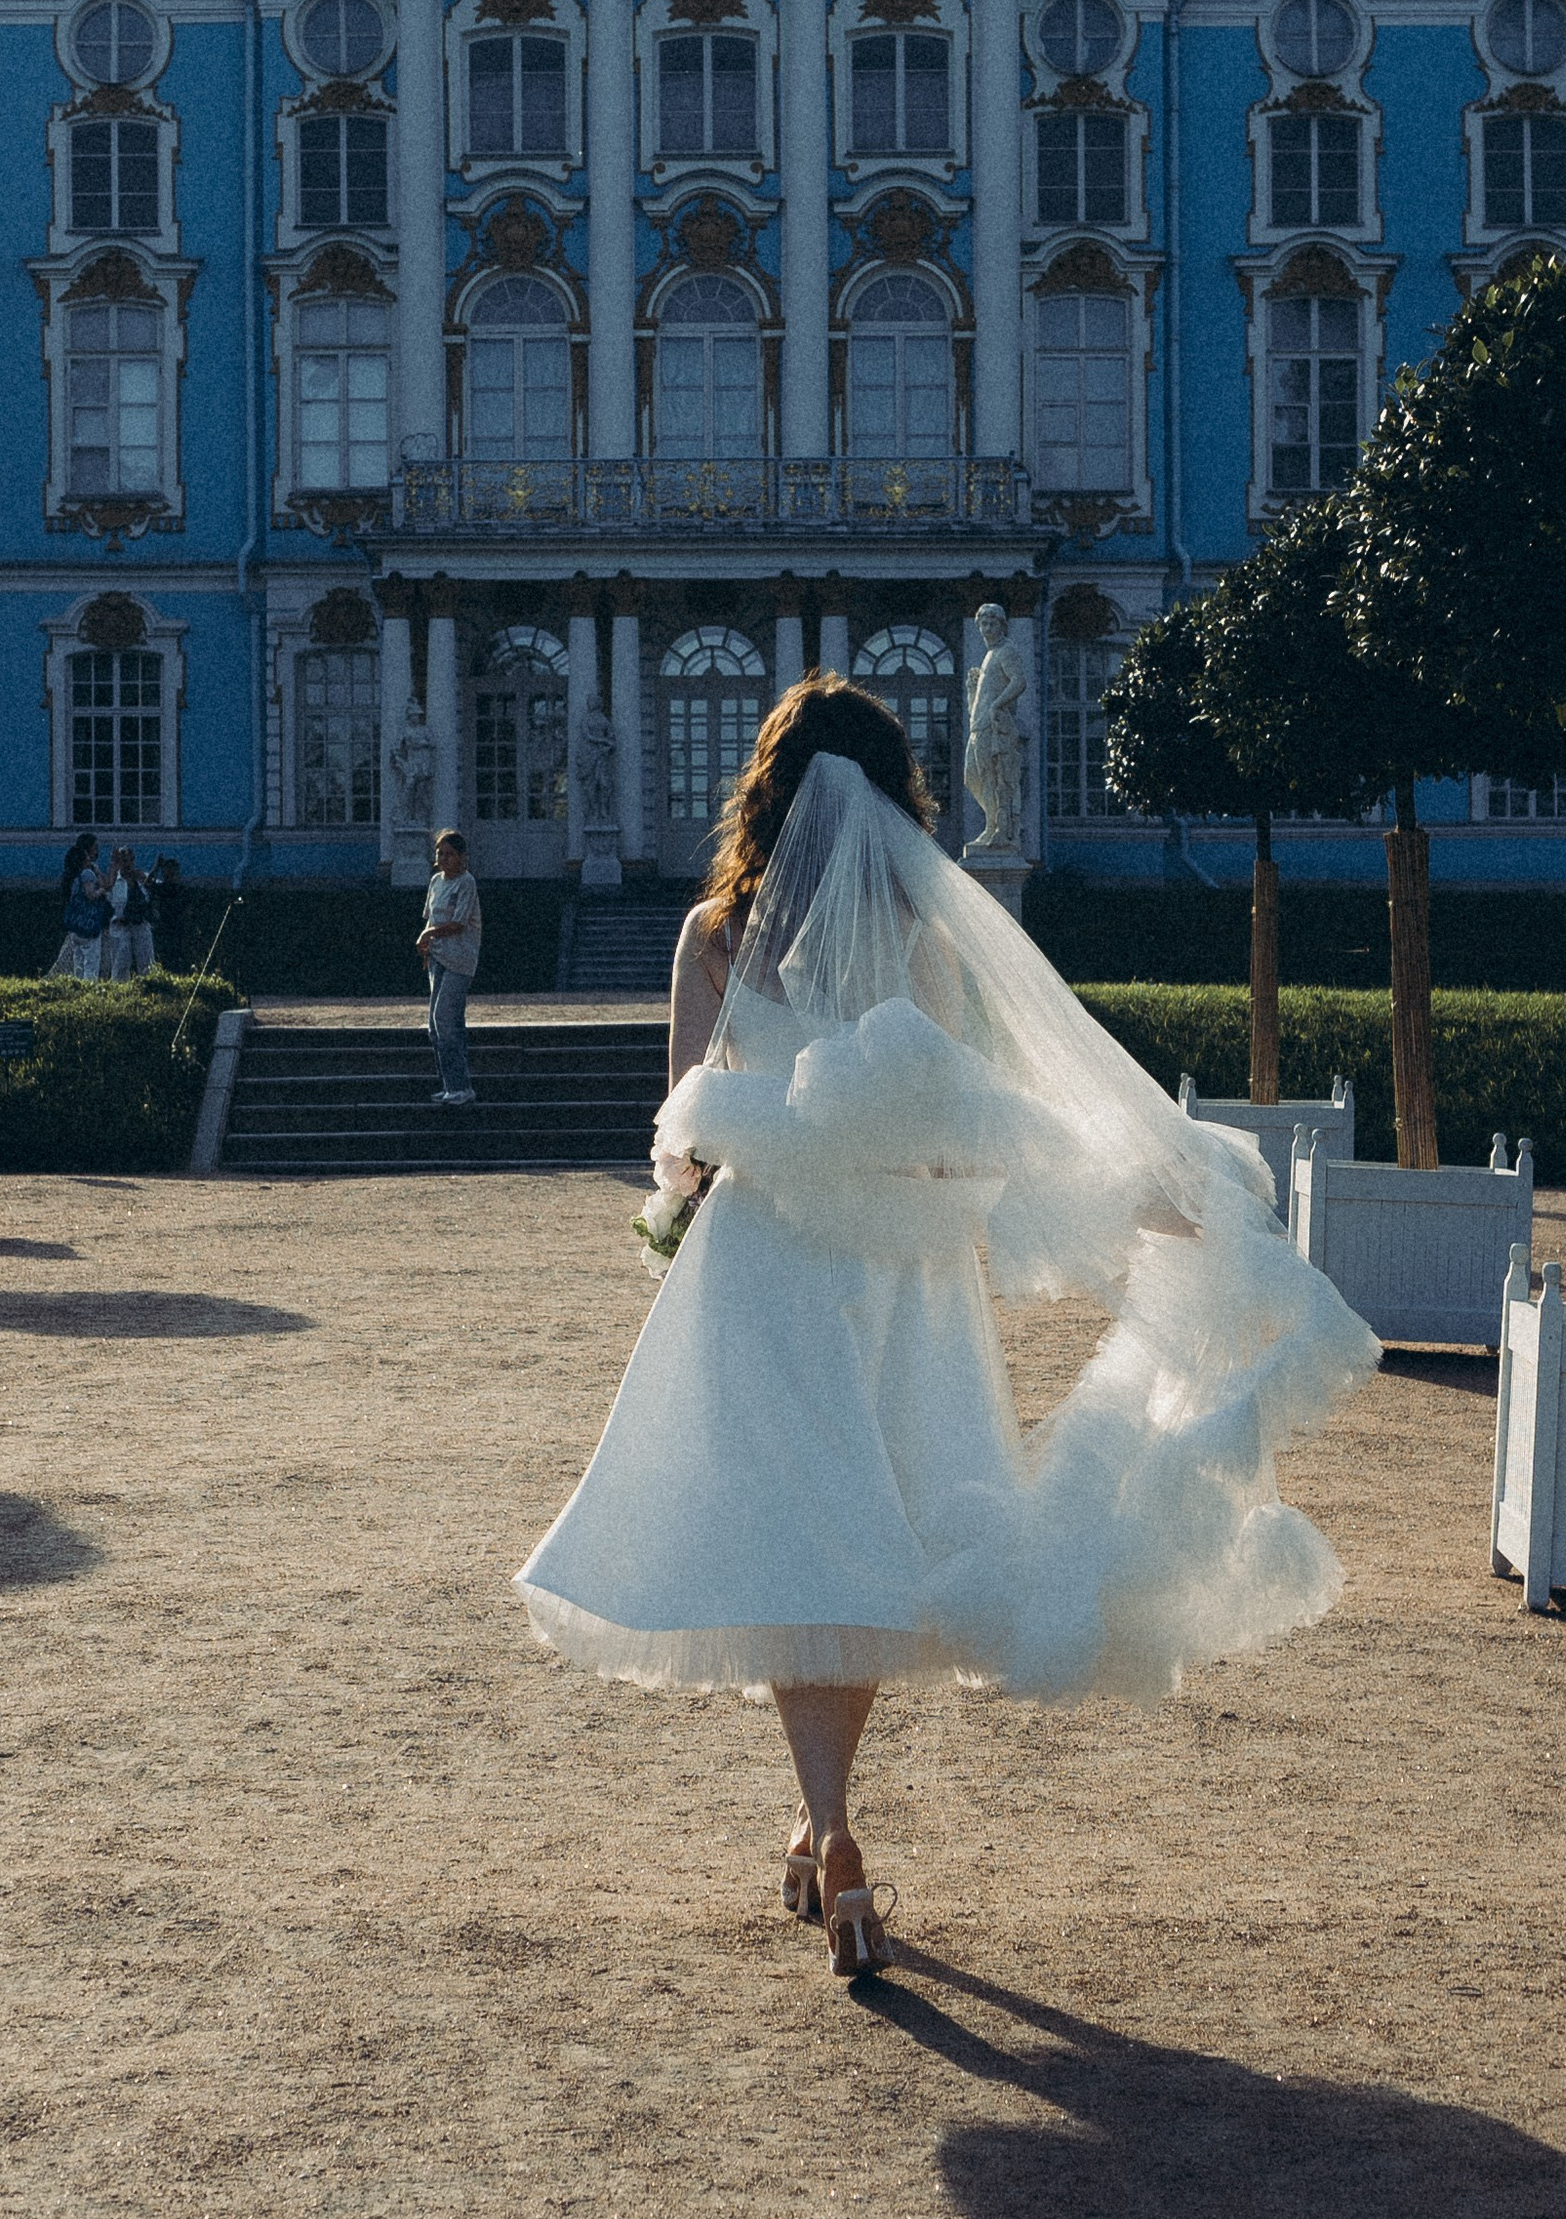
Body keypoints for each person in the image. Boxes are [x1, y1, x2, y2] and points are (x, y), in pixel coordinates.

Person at [519, 677, 1378, 1980]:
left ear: (769, 790)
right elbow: (963, 1112)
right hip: (903, 1272)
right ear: (897, 798)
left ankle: (827, 1831)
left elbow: (685, 1130)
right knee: (876, 1545)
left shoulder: (712, 933)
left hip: (765, 1267)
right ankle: (830, 1836)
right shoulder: (926, 933)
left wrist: (678, 1213)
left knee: (797, 1539)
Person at [417, 827, 481, 1106]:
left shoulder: (466, 883)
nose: (443, 859)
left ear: (461, 857)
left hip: (460, 959)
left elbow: (458, 923)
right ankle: (451, 1085)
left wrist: (428, 934)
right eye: (440, 853)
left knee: (444, 1020)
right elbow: (430, 917)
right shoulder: (436, 882)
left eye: (449, 854)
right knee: (437, 1025)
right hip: (439, 958)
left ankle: (461, 1086)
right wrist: (428, 948)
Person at [52, 832, 108, 981]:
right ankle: (89, 987)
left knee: (77, 958)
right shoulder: (88, 872)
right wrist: (102, 890)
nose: (98, 851)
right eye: (95, 847)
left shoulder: (71, 875)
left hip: (75, 922)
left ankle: (76, 984)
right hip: (89, 920)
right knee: (91, 959)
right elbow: (92, 893)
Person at [106, 845, 157, 979]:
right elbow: (106, 898)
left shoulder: (141, 878)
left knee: (147, 962)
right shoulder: (114, 881)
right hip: (120, 925)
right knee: (120, 961)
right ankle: (120, 991)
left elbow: (157, 887)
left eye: (129, 860)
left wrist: (148, 881)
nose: (127, 864)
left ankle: (149, 986)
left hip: (140, 923)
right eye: (123, 861)